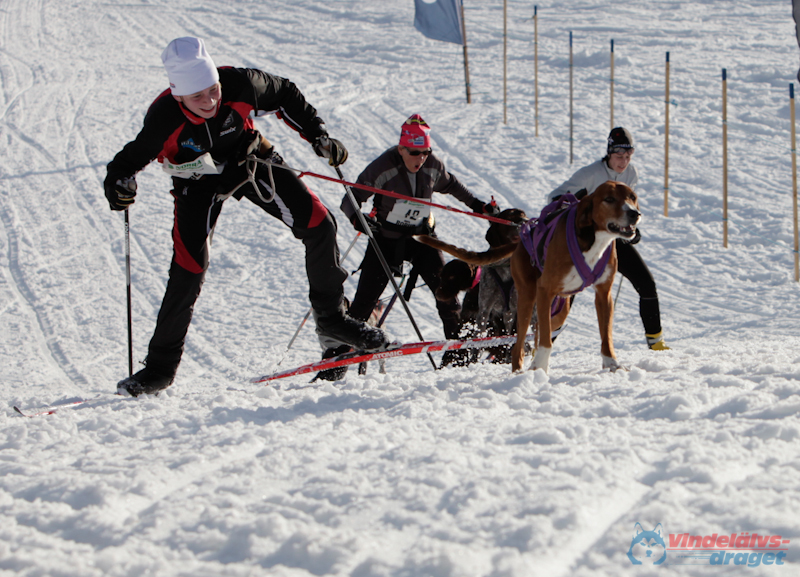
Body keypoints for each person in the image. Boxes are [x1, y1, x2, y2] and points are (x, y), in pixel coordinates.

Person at [104, 37, 387, 396]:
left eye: (213, 90)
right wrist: (120, 187)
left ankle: (333, 322)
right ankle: (159, 368)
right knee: (189, 268)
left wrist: (317, 135)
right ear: (179, 95)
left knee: (320, 224)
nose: (210, 101)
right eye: (197, 96)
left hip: (249, 160)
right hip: (196, 181)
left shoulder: (240, 83)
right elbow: (124, 165)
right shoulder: (163, 119)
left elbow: (285, 93)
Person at [315, 114, 499, 379]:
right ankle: (336, 363)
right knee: (363, 305)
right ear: (401, 148)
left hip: (423, 239)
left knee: (447, 296)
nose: (420, 158)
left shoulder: (433, 165)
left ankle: (458, 356)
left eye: (425, 152)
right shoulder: (383, 166)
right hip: (386, 240)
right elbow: (350, 200)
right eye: (414, 152)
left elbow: (452, 185)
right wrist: (358, 219)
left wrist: (479, 206)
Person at [547, 127, 669, 351]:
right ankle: (542, 343)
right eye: (619, 156)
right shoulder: (590, 174)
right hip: (583, 241)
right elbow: (554, 198)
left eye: (628, 156)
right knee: (568, 291)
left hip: (611, 238)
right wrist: (578, 210)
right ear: (609, 154)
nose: (623, 161)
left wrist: (630, 228)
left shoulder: (631, 174)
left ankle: (656, 343)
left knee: (646, 283)